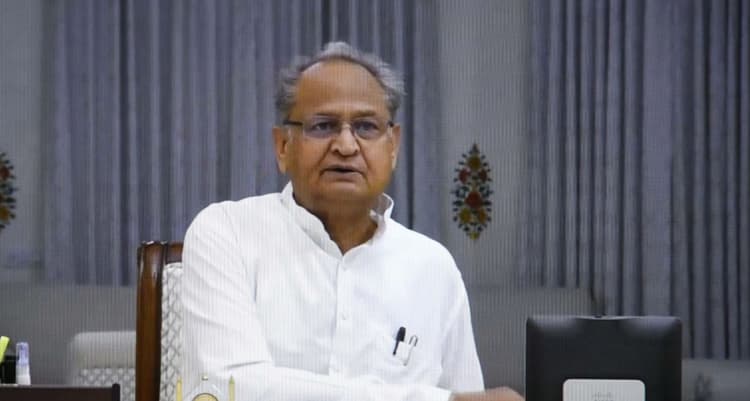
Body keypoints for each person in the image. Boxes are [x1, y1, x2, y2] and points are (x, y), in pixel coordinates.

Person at [181, 41, 523, 401]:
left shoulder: (433, 268)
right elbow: (227, 388)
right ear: (283, 147)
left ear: (393, 146)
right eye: (322, 126)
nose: (346, 145)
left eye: (366, 126)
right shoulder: (227, 232)